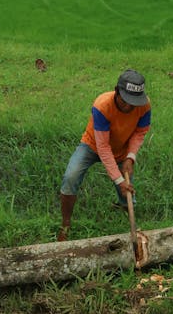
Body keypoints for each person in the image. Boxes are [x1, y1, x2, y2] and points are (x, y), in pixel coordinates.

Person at [57, 69, 151, 242]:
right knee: (71, 176)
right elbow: (103, 147)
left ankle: (125, 212)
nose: (129, 107)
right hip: (92, 145)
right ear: (117, 91)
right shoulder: (102, 106)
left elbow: (140, 132)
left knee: (127, 191)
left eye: (134, 102)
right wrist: (118, 179)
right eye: (126, 101)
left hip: (122, 148)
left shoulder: (144, 105)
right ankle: (66, 223)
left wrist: (130, 157)